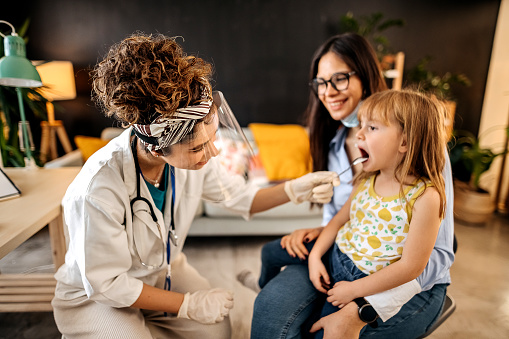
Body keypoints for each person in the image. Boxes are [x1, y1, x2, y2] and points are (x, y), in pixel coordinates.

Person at [50, 33, 340, 339]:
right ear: (158, 148)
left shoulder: (190, 160)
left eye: (212, 140)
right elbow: (106, 283)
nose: (211, 153)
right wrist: (187, 304)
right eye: (197, 148)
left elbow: (239, 197)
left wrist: (295, 189)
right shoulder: (97, 188)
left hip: (162, 273)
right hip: (98, 296)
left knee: (217, 331)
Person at [248, 33, 455, 339]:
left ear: (366, 76)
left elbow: (434, 257)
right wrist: (319, 236)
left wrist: (364, 305)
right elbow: (345, 216)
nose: (327, 92)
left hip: (398, 284)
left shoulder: (423, 165)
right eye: (320, 82)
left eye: (339, 79)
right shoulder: (339, 149)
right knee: (270, 308)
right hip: (343, 256)